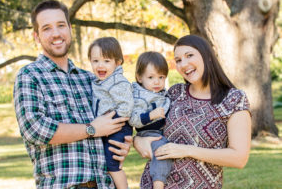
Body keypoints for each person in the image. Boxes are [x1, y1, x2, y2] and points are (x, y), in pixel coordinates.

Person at [13, 0, 132, 189]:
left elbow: (111, 122)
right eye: (47, 28)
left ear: (69, 28)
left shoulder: (90, 79)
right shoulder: (30, 76)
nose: (56, 34)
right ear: (36, 36)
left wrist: (122, 143)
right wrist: (91, 129)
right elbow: (35, 129)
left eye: (61, 25)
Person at [134, 35, 251, 189]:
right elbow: (148, 126)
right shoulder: (174, 93)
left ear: (207, 56)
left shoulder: (234, 100)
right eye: (178, 60)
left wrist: (187, 150)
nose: (183, 64)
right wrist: (137, 141)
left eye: (189, 55)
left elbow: (239, 158)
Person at [88, 37, 134, 189]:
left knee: (112, 164)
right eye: (95, 61)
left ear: (117, 62)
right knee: (104, 163)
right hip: (106, 127)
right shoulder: (100, 81)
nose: (100, 65)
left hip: (118, 126)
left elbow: (126, 107)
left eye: (106, 61)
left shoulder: (118, 82)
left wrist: (109, 122)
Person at [128, 51, 171, 189]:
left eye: (161, 77)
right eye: (151, 77)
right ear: (139, 78)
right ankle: (158, 183)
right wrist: (151, 115)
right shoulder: (139, 97)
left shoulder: (162, 93)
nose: (157, 81)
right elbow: (133, 120)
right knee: (162, 150)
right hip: (148, 133)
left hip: (160, 131)